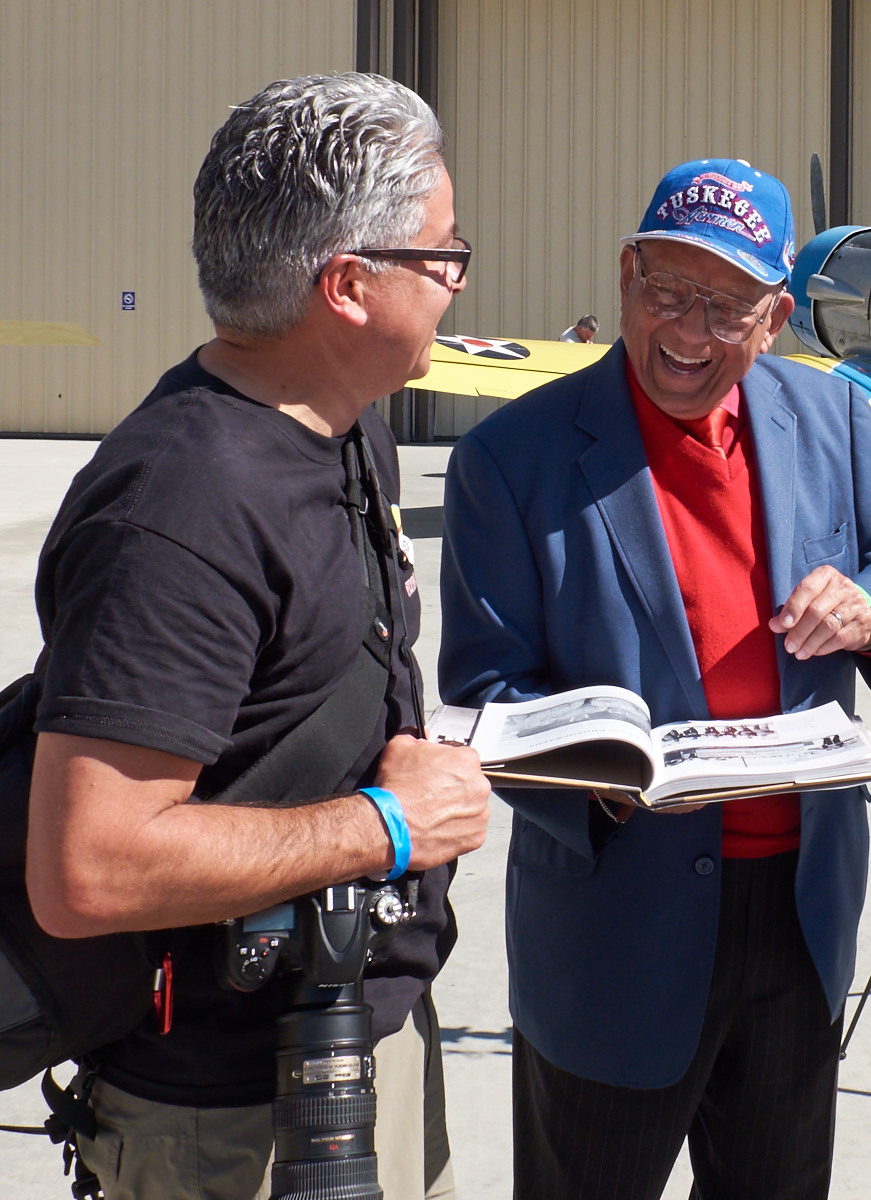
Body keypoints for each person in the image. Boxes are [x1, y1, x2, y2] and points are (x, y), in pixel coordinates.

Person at [440, 157, 871, 1199]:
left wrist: (868, 610)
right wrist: (591, 769)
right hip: (616, 919)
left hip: (801, 909)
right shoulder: (512, 457)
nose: (685, 332)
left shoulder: (834, 422)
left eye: (723, 307)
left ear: (774, 320)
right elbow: (487, 687)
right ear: (626, 273)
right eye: (666, 291)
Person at [25, 74, 492, 1199]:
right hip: (219, 1120)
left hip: (351, 1039)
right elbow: (88, 869)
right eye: (441, 257)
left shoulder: (343, 433)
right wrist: (386, 823)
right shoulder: (180, 507)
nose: (458, 283)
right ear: (347, 285)